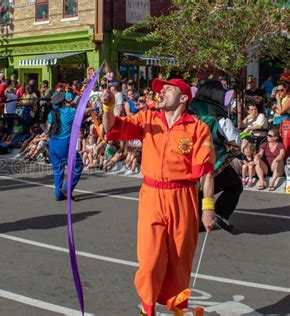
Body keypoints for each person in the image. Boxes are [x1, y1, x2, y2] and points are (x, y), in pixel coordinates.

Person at [102, 78, 215, 315]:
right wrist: (108, 108)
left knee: (179, 262)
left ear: (184, 98)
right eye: (160, 90)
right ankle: (147, 309)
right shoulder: (147, 119)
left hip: (183, 197)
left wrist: (208, 207)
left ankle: (177, 310)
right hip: (152, 196)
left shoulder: (197, 128)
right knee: (150, 261)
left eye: (168, 89)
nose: (161, 92)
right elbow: (113, 128)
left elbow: (205, 170)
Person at [190, 80, 246, 232]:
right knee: (235, 185)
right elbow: (236, 142)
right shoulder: (221, 119)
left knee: (198, 190)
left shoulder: (188, 113)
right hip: (212, 162)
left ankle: (194, 220)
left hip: (189, 162)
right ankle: (221, 213)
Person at [47, 92, 93, 201]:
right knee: (78, 165)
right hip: (64, 144)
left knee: (58, 169)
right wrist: (93, 109)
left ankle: (58, 194)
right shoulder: (69, 112)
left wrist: (70, 105)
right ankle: (67, 188)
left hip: (52, 143)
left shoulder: (51, 114)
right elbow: (84, 111)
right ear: (64, 102)